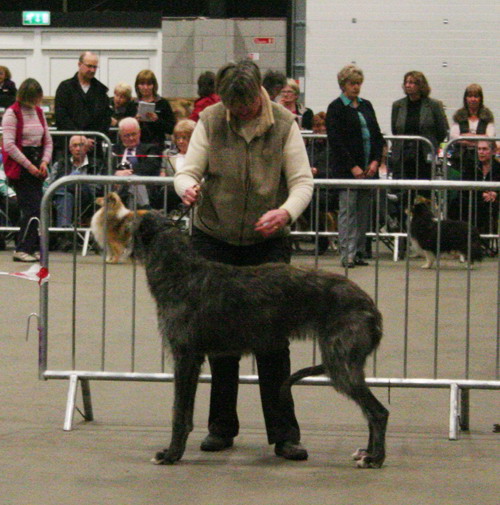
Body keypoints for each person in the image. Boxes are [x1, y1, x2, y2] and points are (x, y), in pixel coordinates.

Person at [174, 59, 314, 460]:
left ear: (258, 94)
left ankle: (284, 434)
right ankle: (221, 427)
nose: (240, 113)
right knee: (218, 340)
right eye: (232, 107)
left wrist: (286, 212)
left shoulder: (285, 122)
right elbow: (188, 170)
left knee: (273, 339)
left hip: (267, 242)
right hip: (213, 239)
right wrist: (185, 187)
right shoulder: (211, 119)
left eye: (246, 105)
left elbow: (303, 181)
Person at [326, 64, 384, 268]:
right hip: (348, 171)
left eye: (358, 83)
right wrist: (353, 167)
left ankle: (359, 251)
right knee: (347, 212)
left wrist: (376, 161)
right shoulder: (335, 108)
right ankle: (347, 254)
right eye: (352, 84)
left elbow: (377, 135)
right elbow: (336, 141)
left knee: (362, 213)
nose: (356, 87)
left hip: (368, 170)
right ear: (343, 85)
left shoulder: (366, 105)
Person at [1, 78, 53, 262]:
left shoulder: (39, 112)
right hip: (20, 167)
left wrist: (44, 162)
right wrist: (29, 166)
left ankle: (32, 247)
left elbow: (47, 140)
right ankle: (22, 248)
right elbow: (9, 145)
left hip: (38, 165)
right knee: (31, 208)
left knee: (38, 207)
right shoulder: (12, 113)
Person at [391, 70, 449, 181]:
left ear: (420, 85)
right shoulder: (398, 105)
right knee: (404, 191)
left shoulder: (434, 105)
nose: (408, 85)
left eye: (412, 82)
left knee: (423, 193)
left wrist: (432, 144)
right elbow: (395, 130)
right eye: (406, 82)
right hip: (403, 154)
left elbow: (442, 130)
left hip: (424, 154)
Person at [54, 52, 111, 156]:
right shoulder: (65, 88)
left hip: (93, 148)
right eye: (89, 66)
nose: (92, 70)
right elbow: (61, 116)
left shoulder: (101, 90)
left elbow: (104, 119)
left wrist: (92, 140)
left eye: (95, 67)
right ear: (79, 64)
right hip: (69, 146)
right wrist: (80, 139)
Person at [49, 135, 101, 249]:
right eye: (75, 146)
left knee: (74, 177)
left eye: (81, 145)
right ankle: (66, 235)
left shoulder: (97, 164)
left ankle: (63, 234)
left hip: (87, 198)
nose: (78, 149)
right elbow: (50, 185)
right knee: (65, 196)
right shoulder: (60, 164)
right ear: (70, 148)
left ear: (87, 147)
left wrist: (73, 181)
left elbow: (97, 187)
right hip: (64, 200)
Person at [449, 140, 499, 239]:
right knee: (456, 203)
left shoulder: (498, 168)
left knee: (487, 206)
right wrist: (482, 194)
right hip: (473, 200)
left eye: (485, 149)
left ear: (493, 151)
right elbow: (463, 188)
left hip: (492, 203)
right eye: (479, 149)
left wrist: (495, 193)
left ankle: (482, 239)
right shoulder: (471, 167)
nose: (481, 152)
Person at [113, 117, 161, 209]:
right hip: (116, 187)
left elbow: (151, 166)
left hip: (142, 188)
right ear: (120, 136)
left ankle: (145, 210)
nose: (131, 138)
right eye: (127, 135)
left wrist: (128, 173)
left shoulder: (150, 148)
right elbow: (106, 168)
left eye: (134, 134)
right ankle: (147, 211)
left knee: (134, 180)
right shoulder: (114, 150)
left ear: (139, 133)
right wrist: (116, 173)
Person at [449, 83, 496, 172]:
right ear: (465, 98)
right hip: (460, 161)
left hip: (482, 162)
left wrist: (465, 136)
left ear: (480, 99)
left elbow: (490, 137)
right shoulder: (458, 116)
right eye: (470, 96)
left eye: (476, 96)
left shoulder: (488, 117)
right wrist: (480, 139)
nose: (473, 99)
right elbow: (454, 137)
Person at [160, 119, 196, 213]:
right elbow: (162, 174)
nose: (180, 141)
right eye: (178, 138)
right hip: (172, 197)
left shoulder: (200, 156)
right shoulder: (167, 154)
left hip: (194, 195)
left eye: (184, 138)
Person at [134, 70, 175, 147]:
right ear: (137, 86)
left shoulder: (163, 103)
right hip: (137, 144)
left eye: (149, 84)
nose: (145, 87)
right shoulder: (132, 104)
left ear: (154, 85)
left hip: (157, 144)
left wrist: (157, 120)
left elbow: (171, 128)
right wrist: (134, 121)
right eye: (142, 84)